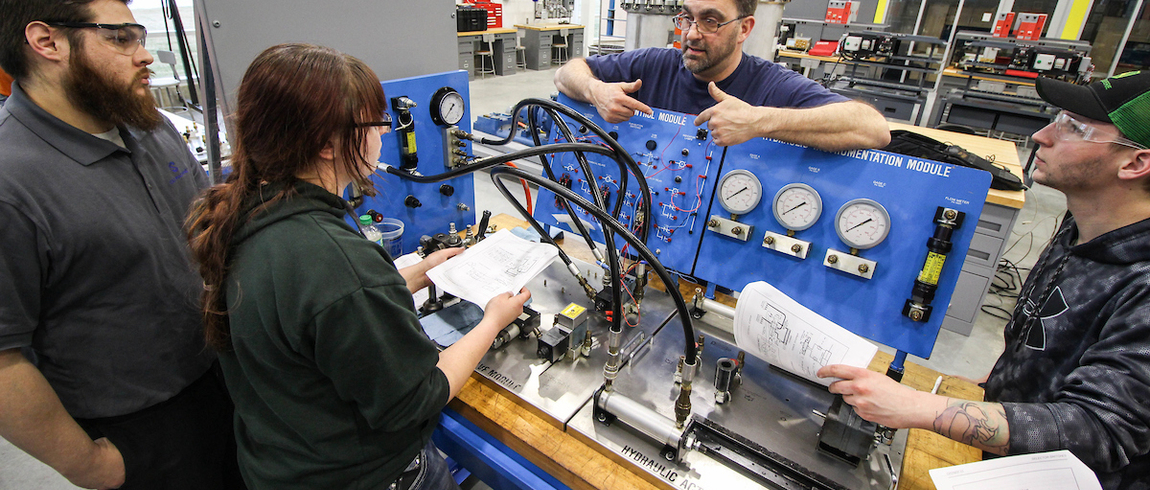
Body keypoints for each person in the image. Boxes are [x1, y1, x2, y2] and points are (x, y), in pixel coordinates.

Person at [185, 43, 531, 490]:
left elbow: (308, 313)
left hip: (280, 464)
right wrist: (491, 322)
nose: (383, 134)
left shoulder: (245, 214)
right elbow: (417, 397)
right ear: (327, 143)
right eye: (376, 123)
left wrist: (417, 273)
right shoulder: (334, 258)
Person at [818, 71, 1150, 489]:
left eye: (1074, 128)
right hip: (1005, 454)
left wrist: (920, 407)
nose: (1042, 136)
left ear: (1136, 162)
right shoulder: (1081, 229)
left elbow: (1100, 430)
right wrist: (989, 389)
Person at [0, 0, 244, 489]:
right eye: (120, 38)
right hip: (139, 429)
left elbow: (208, 225)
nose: (145, 54)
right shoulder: (12, 184)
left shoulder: (150, 126)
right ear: (46, 42)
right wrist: (89, 465)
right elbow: (4, 361)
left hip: (222, 377)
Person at [553, 0, 890, 151]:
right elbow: (567, 73)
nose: (692, 34)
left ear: (744, 28)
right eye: (687, 18)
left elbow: (872, 128)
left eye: (710, 21)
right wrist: (597, 90)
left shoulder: (770, 83)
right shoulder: (653, 65)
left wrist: (760, 121)